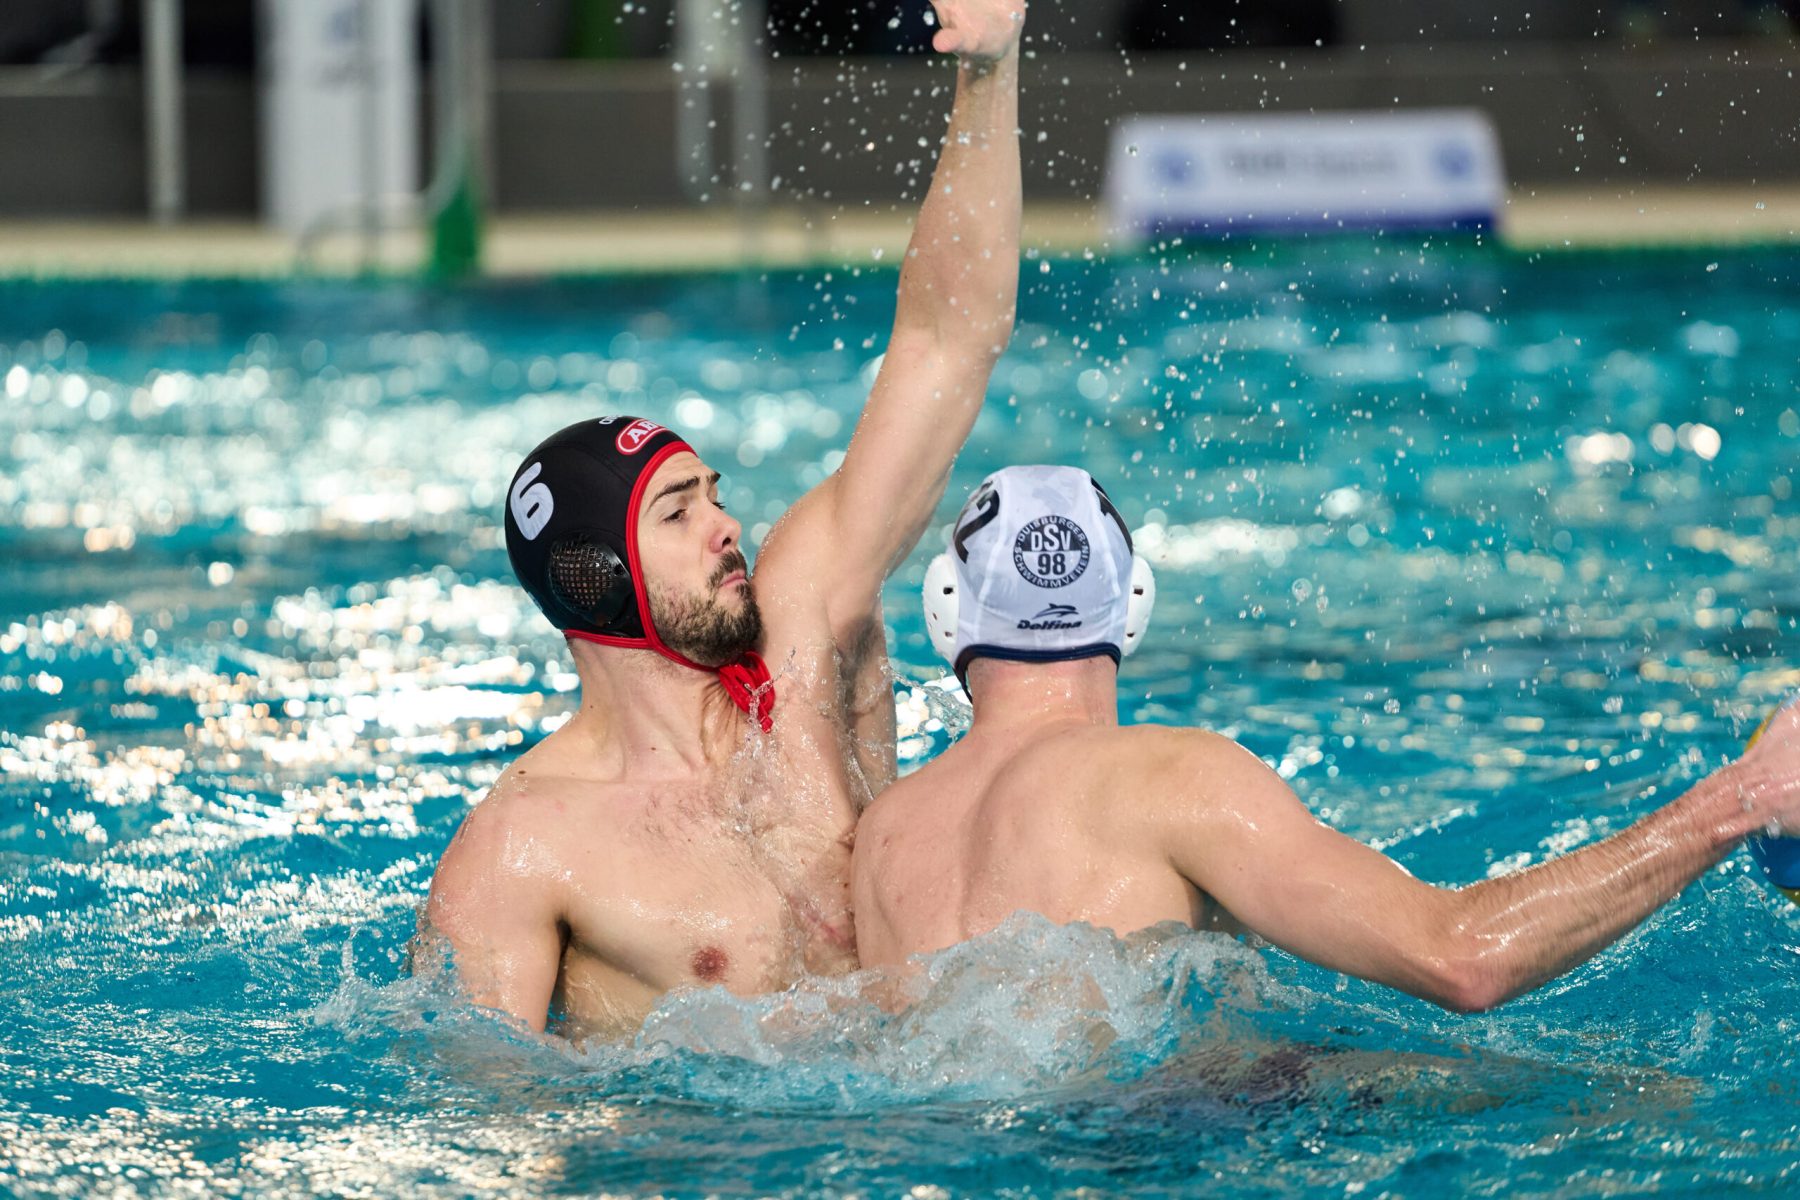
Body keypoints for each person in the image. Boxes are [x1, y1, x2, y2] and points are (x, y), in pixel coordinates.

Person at [419, 0, 1027, 1039]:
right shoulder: (524, 845)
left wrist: (991, 74)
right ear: (596, 575)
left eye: (715, 494)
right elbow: (490, 1098)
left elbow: (946, 344)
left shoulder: (799, 641)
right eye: (677, 510)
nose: (726, 526)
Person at [851, 464, 1800, 1011]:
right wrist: (1743, 797)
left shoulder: (883, 837)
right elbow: (1464, 957)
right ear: (1133, 604)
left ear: (947, 612)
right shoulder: (1172, 778)